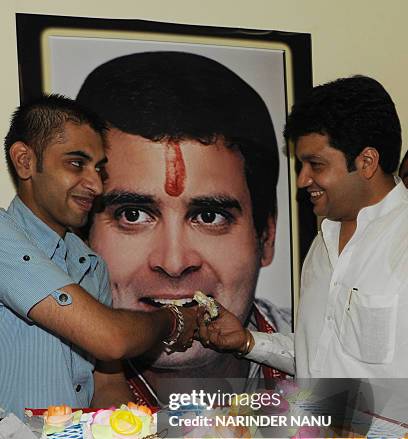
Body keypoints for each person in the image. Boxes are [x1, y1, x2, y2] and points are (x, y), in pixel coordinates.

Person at [76, 51, 291, 407]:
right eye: (133, 214)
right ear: (82, 240)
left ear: (265, 235)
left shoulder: (330, 363)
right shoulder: (40, 385)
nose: (174, 263)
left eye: (209, 217)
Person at [1, 95, 198, 419]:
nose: (94, 184)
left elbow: (107, 384)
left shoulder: (89, 263)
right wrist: (173, 320)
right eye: (76, 164)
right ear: (24, 161)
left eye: (98, 169)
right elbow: (111, 338)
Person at [199, 75, 408, 379]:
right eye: (300, 165)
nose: (302, 180)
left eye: (316, 165)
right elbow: (319, 356)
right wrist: (247, 340)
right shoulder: (325, 239)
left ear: (366, 162)